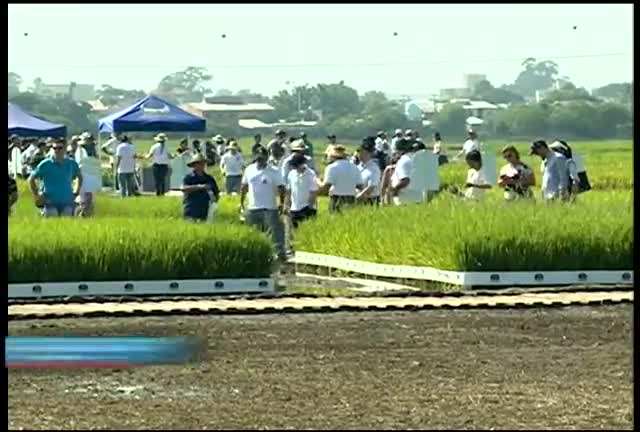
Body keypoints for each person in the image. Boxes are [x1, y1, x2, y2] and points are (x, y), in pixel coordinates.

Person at [240, 146, 287, 260]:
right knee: (254, 234)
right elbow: (244, 186)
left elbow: (281, 187)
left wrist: (281, 203)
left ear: (267, 157)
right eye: (259, 158)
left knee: (274, 233)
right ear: (255, 157)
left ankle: (279, 255)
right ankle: (256, 254)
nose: (261, 160)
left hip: (269, 207)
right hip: (253, 207)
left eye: (264, 157)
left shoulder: (274, 171)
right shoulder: (249, 169)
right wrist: (241, 202)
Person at [29, 139, 82, 217]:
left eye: (59, 148)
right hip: (49, 201)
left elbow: (79, 177)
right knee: (52, 218)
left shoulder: (72, 163)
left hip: (67, 201)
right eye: (54, 148)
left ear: (65, 148)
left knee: (67, 222)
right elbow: (31, 179)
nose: (57, 150)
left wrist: (76, 191)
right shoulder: (45, 164)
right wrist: (36, 195)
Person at [319, 145, 363, 213]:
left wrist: (318, 182)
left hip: (336, 199)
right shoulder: (355, 167)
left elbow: (326, 187)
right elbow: (360, 186)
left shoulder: (331, 168)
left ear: (333, 156)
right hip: (351, 199)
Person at [181, 152, 220, 222]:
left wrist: (213, 203)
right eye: (199, 163)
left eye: (203, 163)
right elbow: (183, 188)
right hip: (191, 209)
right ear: (194, 165)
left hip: (205, 210)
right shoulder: (189, 178)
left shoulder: (209, 178)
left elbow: (216, 193)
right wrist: (200, 187)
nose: (202, 165)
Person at [285, 153, 319, 229]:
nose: (295, 168)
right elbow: (289, 191)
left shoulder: (311, 174)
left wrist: (309, 208)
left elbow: (313, 192)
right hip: (294, 209)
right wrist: (287, 205)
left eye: (296, 166)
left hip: (306, 208)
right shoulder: (291, 174)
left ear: (302, 164)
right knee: (294, 232)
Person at [388, 138, 422, 206]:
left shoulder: (403, 160)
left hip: (405, 200)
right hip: (416, 197)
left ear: (399, 151)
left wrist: (394, 190)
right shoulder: (415, 158)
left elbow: (405, 180)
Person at [75, 135, 101, 217]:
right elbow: (80, 163)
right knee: (85, 196)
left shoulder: (94, 149)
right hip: (84, 175)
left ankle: (89, 214)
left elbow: (97, 162)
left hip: (93, 176)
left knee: (90, 198)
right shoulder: (80, 150)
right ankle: (82, 213)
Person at [356, 137, 382, 206]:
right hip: (358, 199)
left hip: (370, 201)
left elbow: (371, 187)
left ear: (368, 153)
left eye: (361, 151)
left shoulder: (374, 169)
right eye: (358, 151)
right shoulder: (358, 167)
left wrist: (358, 198)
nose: (358, 153)